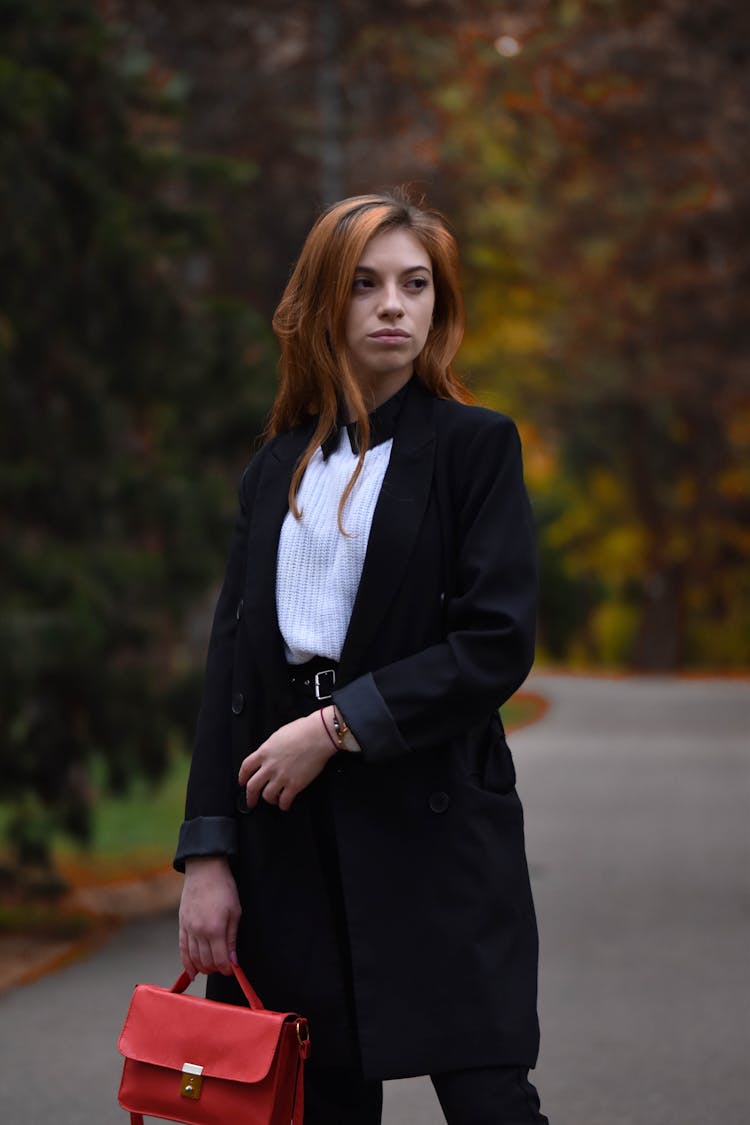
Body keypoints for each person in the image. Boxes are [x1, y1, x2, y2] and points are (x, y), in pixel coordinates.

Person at [175, 189, 549, 1124]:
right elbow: (231, 674)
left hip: (435, 821)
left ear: (439, 305)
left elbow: (496, 643)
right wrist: (209, 856)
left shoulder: (476, 447)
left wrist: (338, 726)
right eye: (367, 284)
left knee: (490, 1096)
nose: (395, 305)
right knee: (315, 1103)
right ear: (322, 306)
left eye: (416, 284)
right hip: (286, 835)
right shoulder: (275, 469)